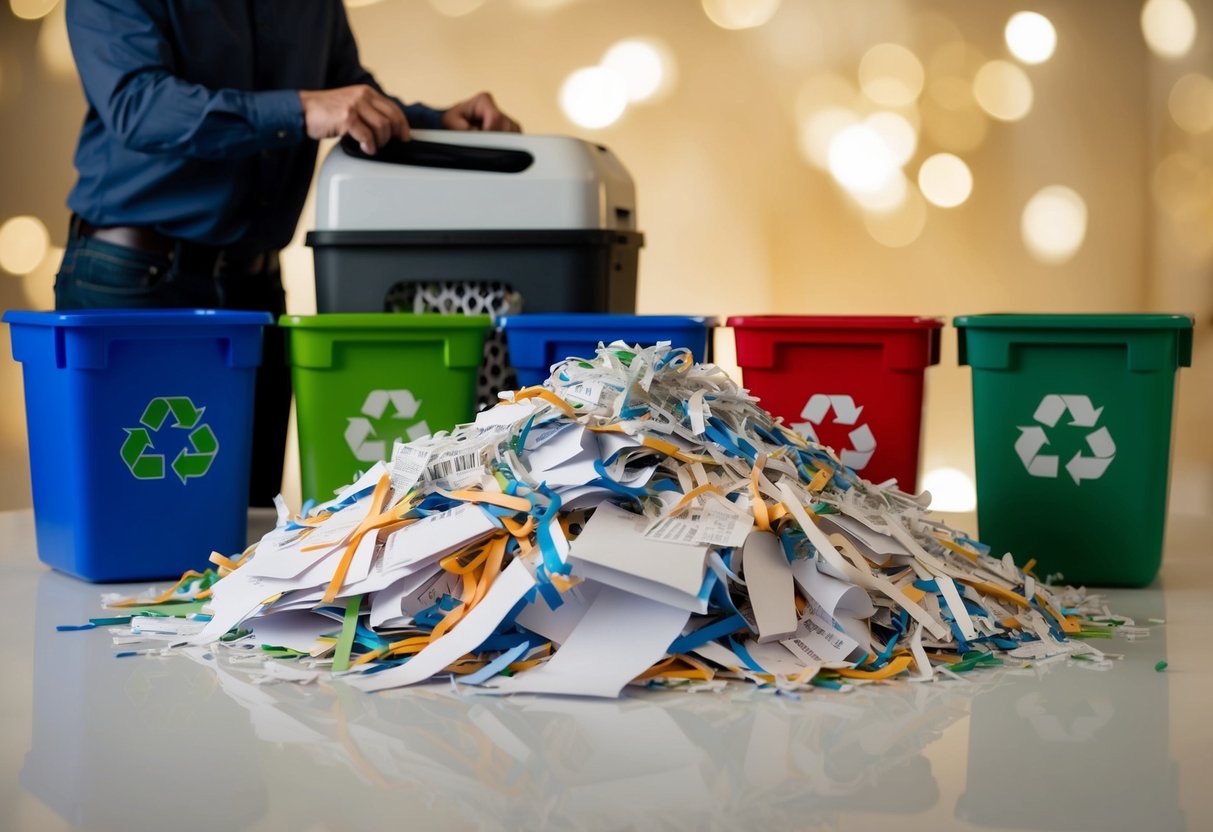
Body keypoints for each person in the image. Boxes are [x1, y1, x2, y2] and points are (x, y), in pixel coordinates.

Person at [55, 0, 521, 506]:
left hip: (254, 287)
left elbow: (346, 93)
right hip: (130, 281)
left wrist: (436, 120)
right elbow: (138, 104)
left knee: (247, 518)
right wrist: (301, 109)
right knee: (130, 511)